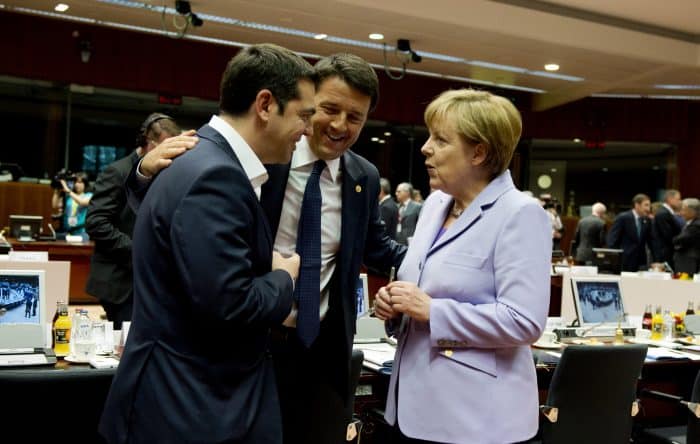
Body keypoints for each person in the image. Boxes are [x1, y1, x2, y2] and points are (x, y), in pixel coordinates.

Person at [128, 52, 406, 444]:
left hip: (323, 352)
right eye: (328, 109)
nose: (340, 125)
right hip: (254, 342)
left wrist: (436, 261)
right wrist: (143, 174)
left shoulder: (363, 176)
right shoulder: (262, 157)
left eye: (355, 117)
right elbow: (186, 220)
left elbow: (377, 246)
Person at [98, 43, 314, 444]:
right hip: (190, 405)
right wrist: (283, 278)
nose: (308, 131)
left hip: (184, 398)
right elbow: (230, 305)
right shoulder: (216, 175)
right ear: (265, 104)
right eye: (304, 115)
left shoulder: (200, 159)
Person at [374, 89, 551, 443]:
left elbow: (524, 322)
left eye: (440, 140)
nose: (425, 148)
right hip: (411, 409)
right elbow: (421, 293)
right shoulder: (435, 205)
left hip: (476, 421)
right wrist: (395, 308)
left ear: (479, 153)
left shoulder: (520, 213)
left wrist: (432, 311)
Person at [85, 113, 194, 329]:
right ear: (150, 145)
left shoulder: (165, 174)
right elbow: (96, 223)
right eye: (166, 147)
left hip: (152, 282)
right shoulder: (117, 171)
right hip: (120, 282)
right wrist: (138, 251)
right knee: (126, 347)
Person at [606, 193, 653, 271]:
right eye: (646, 205)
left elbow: (651, 241)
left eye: (649, 206)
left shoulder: (647, 220)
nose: (648, 209)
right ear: (637, 205)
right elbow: (612, 239)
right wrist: (614, 259)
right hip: (624, 261)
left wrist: (656, 260)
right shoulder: (623, 218)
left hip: (640, 263)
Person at [652, 189, 683, 269]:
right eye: (678, 199)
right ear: (670, 199)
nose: (680, 202)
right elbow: (667, 235)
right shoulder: (663, 213)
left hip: (668, 252)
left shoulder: (667, 212)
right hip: (664, 254)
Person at [673, 197, 700, 275]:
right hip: (686, 260)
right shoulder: (690, 223)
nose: (681, 213)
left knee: (684, 285)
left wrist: (674, 239)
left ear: (692, 211)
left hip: (688, 261)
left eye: (684, 209)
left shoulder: (696, 225)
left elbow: (680, 239)